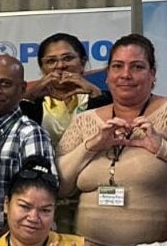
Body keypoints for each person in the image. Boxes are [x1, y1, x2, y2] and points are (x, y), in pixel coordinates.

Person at [58, 34, 167, 246]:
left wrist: (163, 148)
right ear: (108, 74)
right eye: (117, 66)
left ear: (152, 74)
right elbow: (59, 186)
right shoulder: (84, 121)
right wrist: (91, 146)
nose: (126, 75)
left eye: (137, 67)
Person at [19, 33, 110, 234]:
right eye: (51, 61)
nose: (60, 66)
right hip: (43, 200)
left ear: (82, 63)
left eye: (68, 58)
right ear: (42, 68)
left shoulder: (102, 99)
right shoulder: (31, 105)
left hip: (91, 196)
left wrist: (94, 93)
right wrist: (30, 95)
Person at [0, 55, 55, 243]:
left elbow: (39, 199)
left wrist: (0, 245)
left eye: (5, 84)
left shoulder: (30, 134)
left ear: (22, 89)